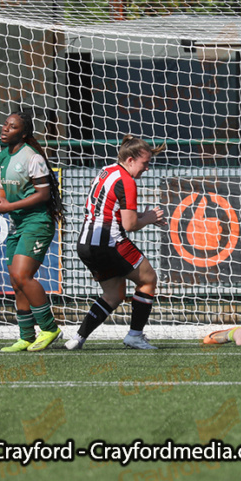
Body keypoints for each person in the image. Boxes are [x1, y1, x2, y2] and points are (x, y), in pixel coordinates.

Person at [65, 136, 167, 350]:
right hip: (110, 243)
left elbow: (109, 211)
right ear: (130, 160)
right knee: (148, 279)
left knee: (114, 294)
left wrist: (143, 215)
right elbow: (129, 225)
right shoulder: (127, 181)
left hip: (85, 244)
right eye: (145, 163)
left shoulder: (107, 170)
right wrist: (148, 218)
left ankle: (78, 338)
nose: (147, 169)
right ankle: (135, 335)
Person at [0, 110, 64, 352]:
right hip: (18, 224)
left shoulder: (33, 157)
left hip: (38, 222)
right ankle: (26, 336)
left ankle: (50, 328)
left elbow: (43, 194)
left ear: (24, 133)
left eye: (12, 126)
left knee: (23, 275)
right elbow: (2, 190)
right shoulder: (3, 156)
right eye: (5, 124)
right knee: (16, 281)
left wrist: (9, 206)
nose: (5, 128)